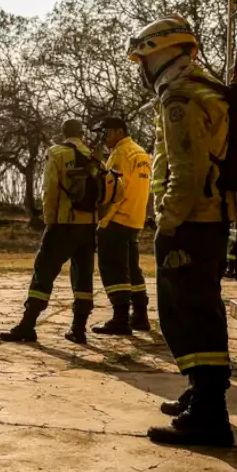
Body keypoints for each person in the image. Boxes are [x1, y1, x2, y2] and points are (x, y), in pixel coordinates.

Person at [128, 17, 235, 446]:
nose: (142, 67)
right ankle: (200, 393)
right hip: (208, 219)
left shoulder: (181, 96)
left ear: (165, 52)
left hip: (191, 222)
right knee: (199, 309)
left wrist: (168, 224)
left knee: (189, 316)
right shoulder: (206, 87)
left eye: (145, 57)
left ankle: (210, 415)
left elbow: (186, 173)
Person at [0, 120, 98, 345]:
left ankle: (28, 324)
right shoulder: (93, 156)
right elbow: (112, 190)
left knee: (43, 272)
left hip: (63, 223)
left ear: (63, 133)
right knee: (83, 277)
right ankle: (79, 328)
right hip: (88, 225)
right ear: (82, 134)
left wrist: (49, 220)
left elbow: (50, 188)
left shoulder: (56, 152)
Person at [92, 116, 152, 335]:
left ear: (118, 131)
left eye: (104, 132)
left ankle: (120, 318)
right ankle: (140, 315)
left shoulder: (120, 154)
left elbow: (115, 191)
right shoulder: (142, 153)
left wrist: (104, 221)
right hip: (135, 218)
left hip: (117, 219)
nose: (102, 137)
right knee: (132, 270)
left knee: (114, 269)